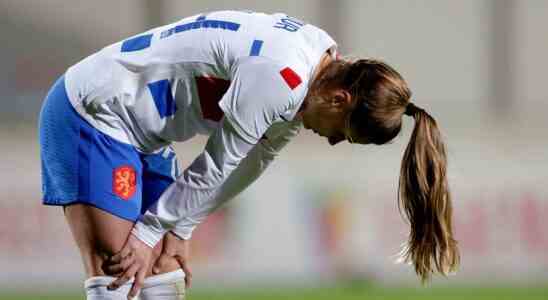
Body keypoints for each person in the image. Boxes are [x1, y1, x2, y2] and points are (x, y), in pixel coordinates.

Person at [39, 10, 459, 300]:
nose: (332, 142)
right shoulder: (281, 77)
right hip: (99, 112)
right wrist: (151, 231)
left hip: (148, 134)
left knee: (164, 271)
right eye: (343, 134)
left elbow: (252, 162)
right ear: (340, 99)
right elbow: (218, 163)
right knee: (121, 271)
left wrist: (180, 230)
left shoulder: (315, 64)